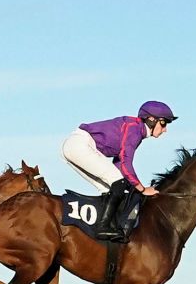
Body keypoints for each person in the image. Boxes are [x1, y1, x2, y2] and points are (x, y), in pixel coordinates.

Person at [62, 100, 177, 240]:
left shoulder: (136, 129)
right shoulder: (134, 129)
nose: (165, 129)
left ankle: (105, 228)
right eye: (164, 123)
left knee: (111, 188)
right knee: (119, 183)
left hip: (73, 146)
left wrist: (132, 186)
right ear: (151, 120)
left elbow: (118, 164)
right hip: (80, 145)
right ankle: (102, 228)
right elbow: (125, 163)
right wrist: (142, 189)